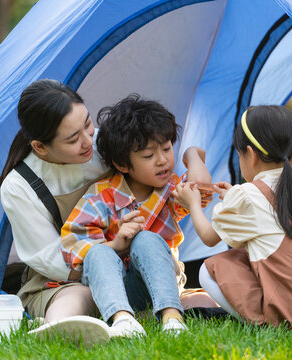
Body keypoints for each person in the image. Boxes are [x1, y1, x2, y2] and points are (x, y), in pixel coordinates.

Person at [172, 105, 292, 327]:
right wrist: (233, 197)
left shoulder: (246, 196)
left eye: (239, 155)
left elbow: (209, 238)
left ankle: (266, 323)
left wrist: (193, 204)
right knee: (248, 254)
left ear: (251, 155)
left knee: (209, 269)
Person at [60, 94, 213, 337]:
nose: (162, 160)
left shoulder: (171, 191)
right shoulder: (101, 197)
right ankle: (123, 320)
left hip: (159, 285)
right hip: (112, 287)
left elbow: (201, 188)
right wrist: (117, 244)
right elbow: (73, 247)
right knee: (98, 251)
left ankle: (172, 318)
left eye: (166, 148)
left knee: (147, 239)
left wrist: (192, 153)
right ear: (122, 164)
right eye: (148, 156)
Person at [0, 79, 112, 346]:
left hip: (129, 254)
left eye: (88, 124)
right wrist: (106, 261)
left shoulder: (107, 144)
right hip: (67, 276)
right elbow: (48, 257)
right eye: (73, 139)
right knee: (80, 296)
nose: (87, 142)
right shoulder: (19, 185)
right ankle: (57, 327)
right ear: (40, 147)